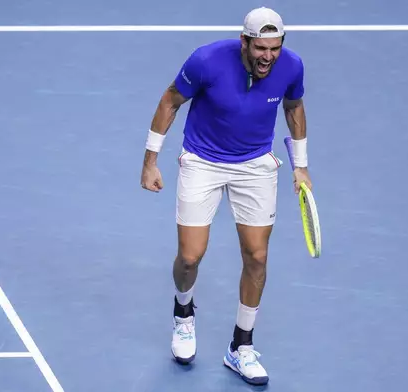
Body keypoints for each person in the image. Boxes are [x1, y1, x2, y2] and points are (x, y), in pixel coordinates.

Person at [140, 6, 312, 385]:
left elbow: (294, 107)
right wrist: (151, 161)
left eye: (275, 48)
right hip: (202, 160)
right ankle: (184, 316)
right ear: (244, 42)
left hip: (254, 166)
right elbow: (171, 100)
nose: (268, 56)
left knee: (257, 256)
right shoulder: (206, 60)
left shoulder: (292, 66)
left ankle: (241, 347)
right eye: (261, 48)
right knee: (190, 255)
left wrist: (300, 165)